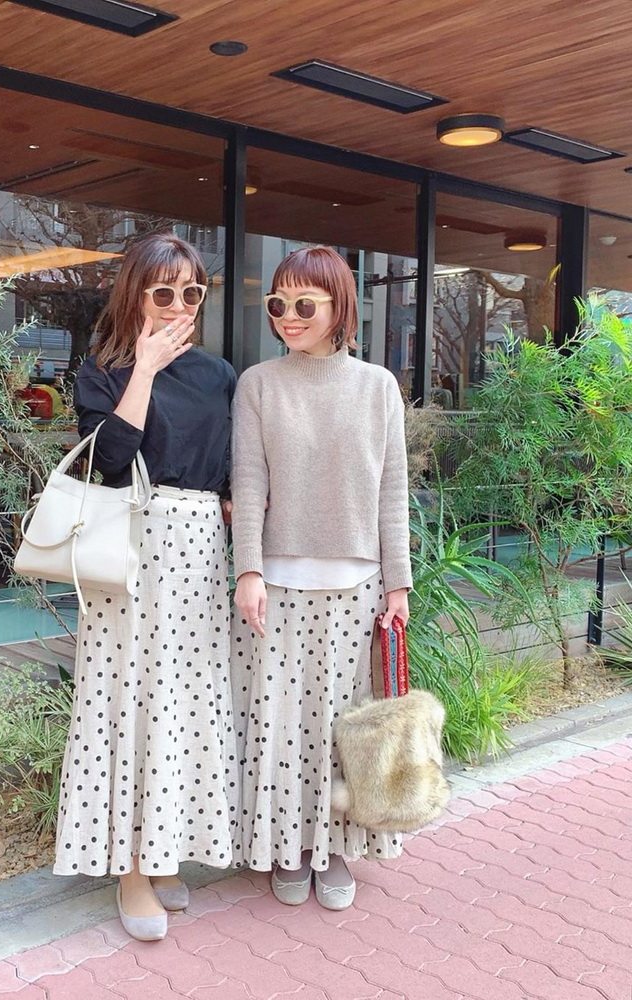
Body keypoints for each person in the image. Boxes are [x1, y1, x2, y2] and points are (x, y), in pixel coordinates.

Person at [53, 233, 238, 942]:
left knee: (181, 704)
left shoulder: (218, 374)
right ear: (135, 293)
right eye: (164, 291)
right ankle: (130, 868)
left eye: (192, 292)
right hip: (132, 547)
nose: (180, 305)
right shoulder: (102, 371)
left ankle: (164, 851)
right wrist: (147, 368)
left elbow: (228, 468)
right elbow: (108, 459)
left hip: (200, 551)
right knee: (130, 702)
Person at [230, 245, 412, 911]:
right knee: (281, 725)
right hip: (277, 585)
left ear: (340, 308)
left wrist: (399, 584)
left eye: (304, 304)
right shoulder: (258, 383)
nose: (288, 316)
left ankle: (334, 848)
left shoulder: (378, 386)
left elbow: (393, 489)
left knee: (343, 726)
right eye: (277, 303)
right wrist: (248, 569)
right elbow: (248, 482)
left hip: (357, 585)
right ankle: (289, 846)